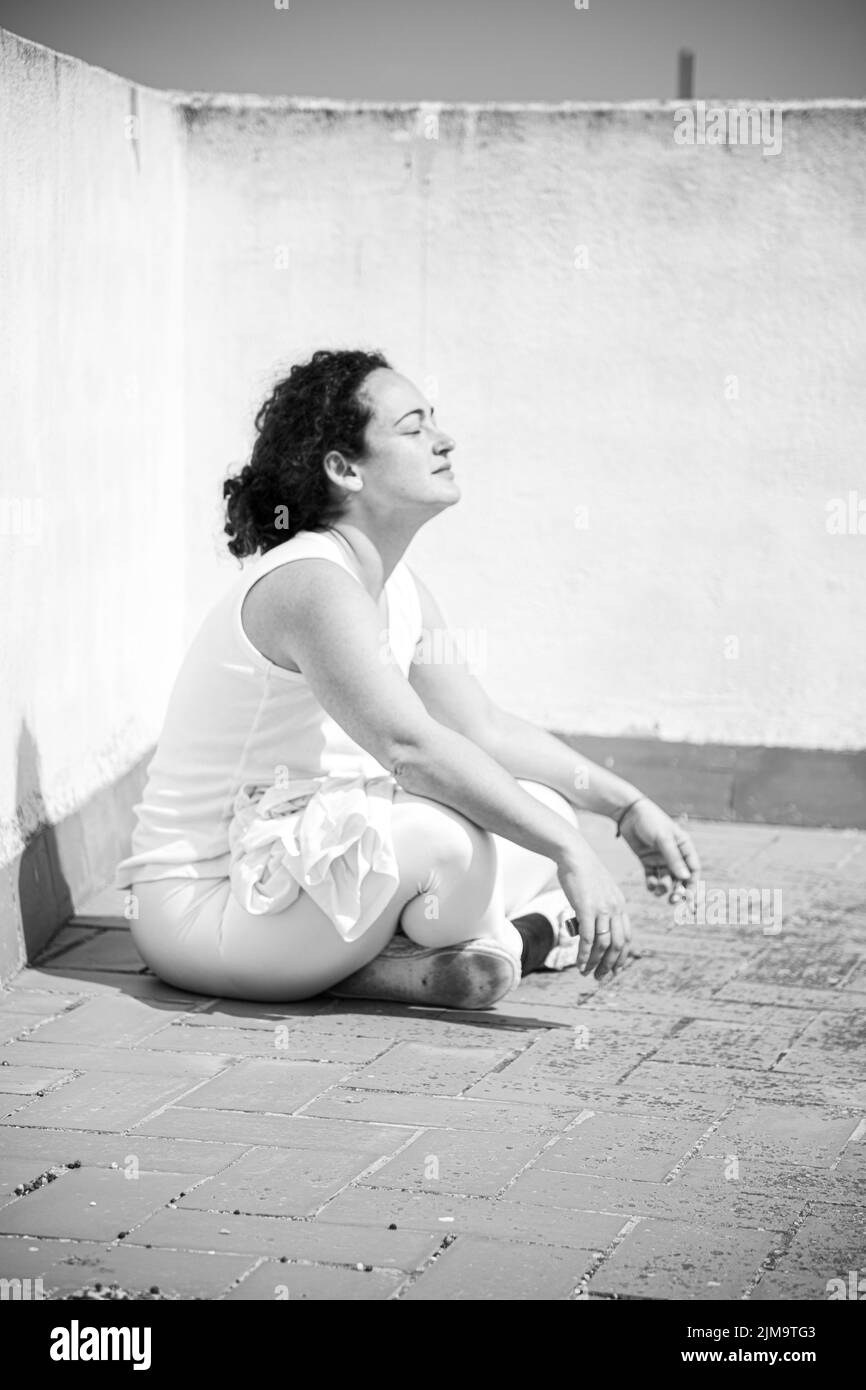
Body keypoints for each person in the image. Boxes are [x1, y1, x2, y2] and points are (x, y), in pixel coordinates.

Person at [115, 348, 699, 1009]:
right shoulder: (311, 585)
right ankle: (510, 943)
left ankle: (419, 963)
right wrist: (570, 854)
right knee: (443, 839)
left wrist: (622, 808)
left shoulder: (397, 589)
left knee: (547, 806)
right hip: (208, 908)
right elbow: (412, 751)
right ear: (344, 469)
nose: (443, 440)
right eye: (414, 426)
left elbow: (483, 729)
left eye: (434, 423)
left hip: (302, 886)